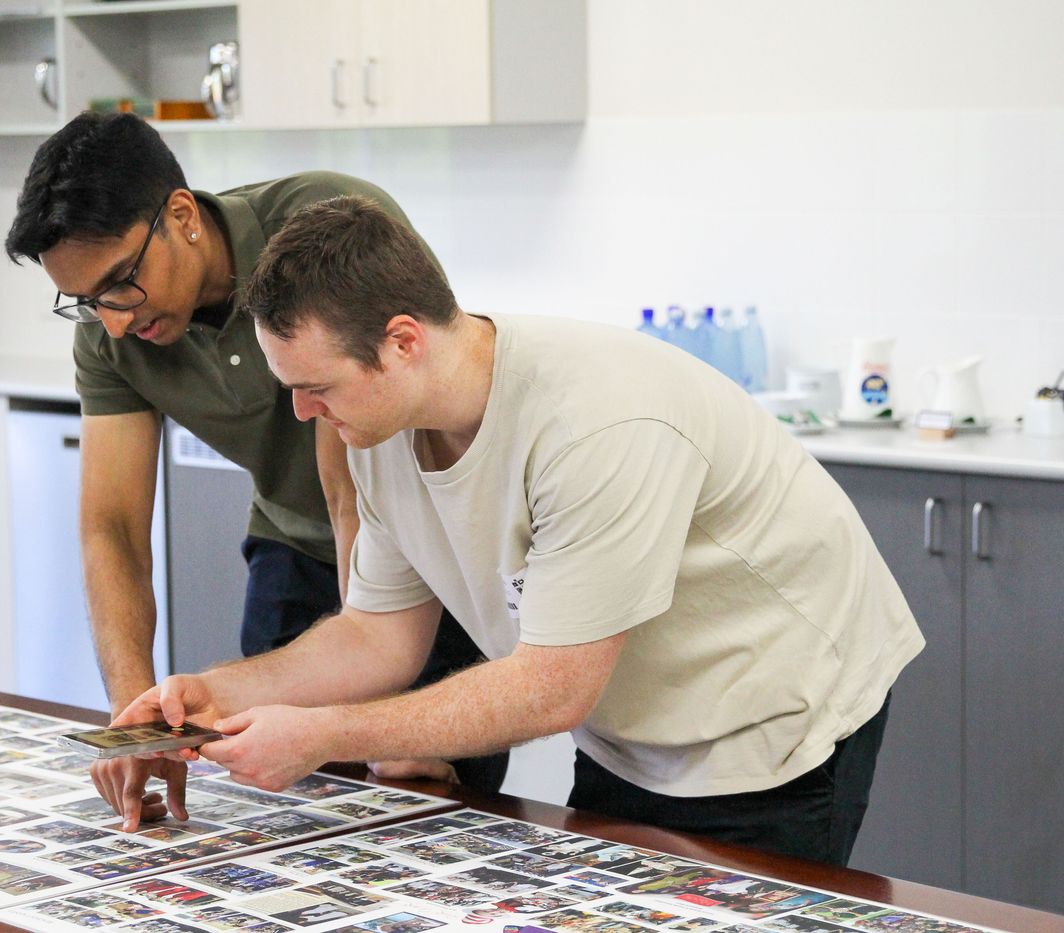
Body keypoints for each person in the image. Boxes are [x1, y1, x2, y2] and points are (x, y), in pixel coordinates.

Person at [115, 195, 925, 867]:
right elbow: (374, 635)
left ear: (402, 342)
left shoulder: (595, 423)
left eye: (315, 385)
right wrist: (218, 694)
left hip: (772, 718)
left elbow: (552, 686)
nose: (300, 412)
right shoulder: (378, 427)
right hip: (630, 726)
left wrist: (324, 734)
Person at [3, 114, 506, 825]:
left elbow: (351, 493)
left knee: (431, 801)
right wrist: (134, 721)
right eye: (86, 301)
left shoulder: (315, 234)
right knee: (283, 800)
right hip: (291, 544)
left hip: (420, 551)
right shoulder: (111, 332)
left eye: (120, 282)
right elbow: (112, 527)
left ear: (182, 217)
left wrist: (376, 719)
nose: (113, 321)